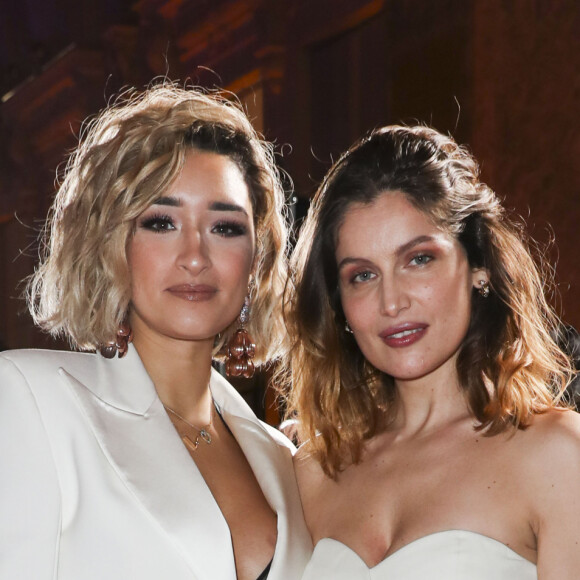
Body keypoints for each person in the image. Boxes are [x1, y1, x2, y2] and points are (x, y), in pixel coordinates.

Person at [0, 84, 311, 580]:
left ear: (257, 261)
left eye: (225, 228)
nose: (194, 256)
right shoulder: (30, 400)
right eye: (162, 223)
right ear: (111, 244)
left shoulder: (283, 459)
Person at [282, 125, 580, 579]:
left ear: (477, 266)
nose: (392, 302)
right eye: (362, 275)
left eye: (418, 259)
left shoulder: (558, 455)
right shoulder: (312, 473)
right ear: (338, 305)